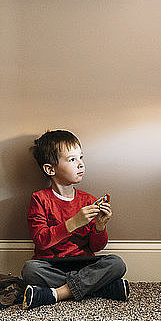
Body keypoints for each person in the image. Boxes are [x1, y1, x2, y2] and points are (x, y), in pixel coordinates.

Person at [21, 129, 129, 310]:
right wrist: (74, 222)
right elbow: (40, 241)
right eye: (72, 160)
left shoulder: (87, 200)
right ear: (50, 169)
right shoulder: (40, 199)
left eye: (81, 158)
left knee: (116, 264)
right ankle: (101, 289)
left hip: (83, 264)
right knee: (30, 270)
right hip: (52, 264)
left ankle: (55, 294)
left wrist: (100, 227)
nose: (80, 164)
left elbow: (96, 247)